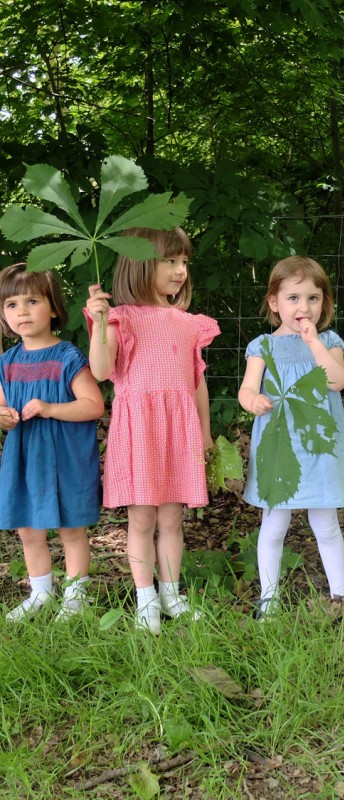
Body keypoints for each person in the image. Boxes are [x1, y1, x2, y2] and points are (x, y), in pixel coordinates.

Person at [85, 227, 220, 634]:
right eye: (170, 261)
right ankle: (146, 598)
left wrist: (206, 433)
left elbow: (197, 383)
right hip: (140, 429)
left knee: (173, 517)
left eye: (184, 262)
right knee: (142, 519)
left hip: (179, 430)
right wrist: (100, 322)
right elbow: (102, 370)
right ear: (141, 264)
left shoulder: (187, 322)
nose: (180, 271)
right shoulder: (121, 319)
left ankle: (172, 593)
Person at [238, 255, 344, 619]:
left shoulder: (330, 341)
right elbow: (246, 388)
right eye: (293, 298)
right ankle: (268, 600)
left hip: (321, 446)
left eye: (313, 298)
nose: (304, 307)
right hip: (279, 447)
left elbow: (337, 381)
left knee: (326, 524)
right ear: (274, 302)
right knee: (274, 525)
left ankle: (341, 597)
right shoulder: (262, 346)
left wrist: (314, 343)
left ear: (324, 302)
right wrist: (252, 400)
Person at [0, 263, 103, 622]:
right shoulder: (7, 362)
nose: (22, 311)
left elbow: (94, 406)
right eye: (11, 304)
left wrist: (49, 408)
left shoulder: (67, 356)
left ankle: (76, 596)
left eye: (31, 301)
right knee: (27, 528)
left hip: (64, 456)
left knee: (70, 527)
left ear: (54, 308)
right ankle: (40, 592)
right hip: (25, 457)